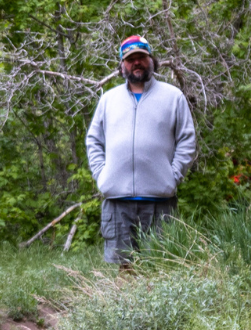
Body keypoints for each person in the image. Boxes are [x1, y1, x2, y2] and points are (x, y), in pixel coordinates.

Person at [85, 35, 198, 264]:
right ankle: (126, 301)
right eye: (130, 59)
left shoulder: (173, 97)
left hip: (159, 202)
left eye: (142, 57)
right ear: (122, 65)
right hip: (117, 201)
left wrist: (173, 175)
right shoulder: (109, 99)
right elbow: (93, 140)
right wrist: (101, 174)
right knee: (124, 269)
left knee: (161, 266)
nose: (137, 63)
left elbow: (187, 139)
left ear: (151, 60)